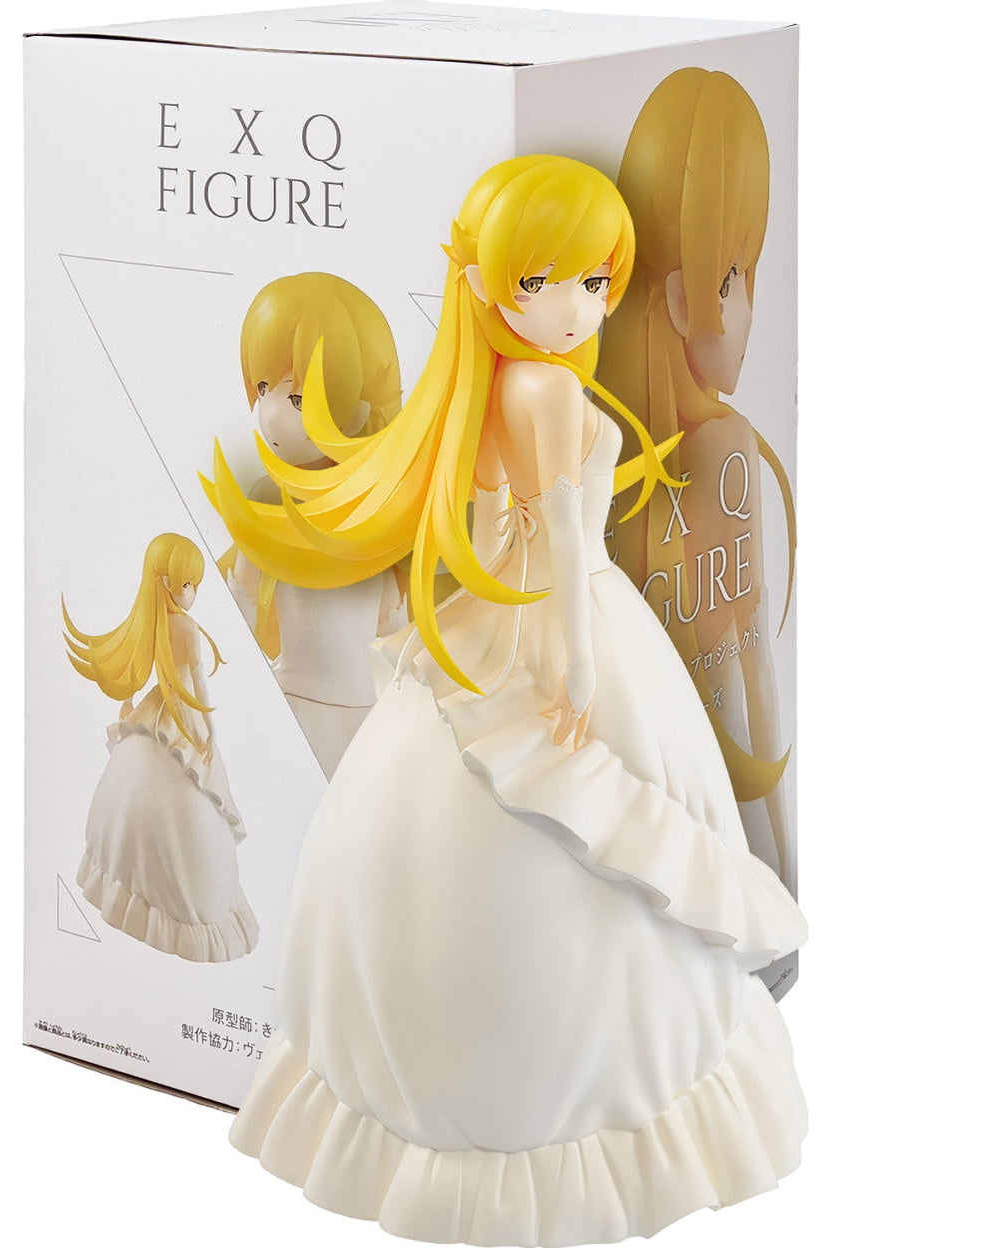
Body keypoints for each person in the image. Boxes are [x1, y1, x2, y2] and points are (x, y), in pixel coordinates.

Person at [211, 155, 806, 1245]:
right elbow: (567, 541)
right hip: (563, 622)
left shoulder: (476, 383)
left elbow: (495, 531)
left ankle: (409, 1079)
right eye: (542, 281)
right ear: (484, 281)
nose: (574, 306)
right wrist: (574, 656)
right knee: (609, 834)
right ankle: (578, 1086)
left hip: (485, 627)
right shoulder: (545, 389)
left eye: (594, 281)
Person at [598, 68, 796, 885]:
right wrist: (782, 861)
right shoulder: (723, 444)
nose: (749, 308)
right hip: (726, 793)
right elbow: (750, 666)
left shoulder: (601, 442)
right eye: (733, 276)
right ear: (681, 299)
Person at [214, 273, 407, 776]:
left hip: (369, 720)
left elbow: (394, 625)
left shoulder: (383, 512)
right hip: (295, 711)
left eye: (299, 399)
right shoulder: (271, 504)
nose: (271, 416)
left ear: (364, 405)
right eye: (263, 389)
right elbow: (238, 611)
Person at [64, 532, 258, 963]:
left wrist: (132, 706)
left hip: (158, 713)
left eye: (196, 585)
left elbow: (144, 670)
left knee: (169, 802)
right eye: (186, 583)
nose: (192, 594)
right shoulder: (185, 628)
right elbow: (198, 684)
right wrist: (209, 730)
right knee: (187, 807)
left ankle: (131, 882)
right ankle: (170, 893)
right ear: (164, 582)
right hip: (181, 716)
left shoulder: (153, 621)